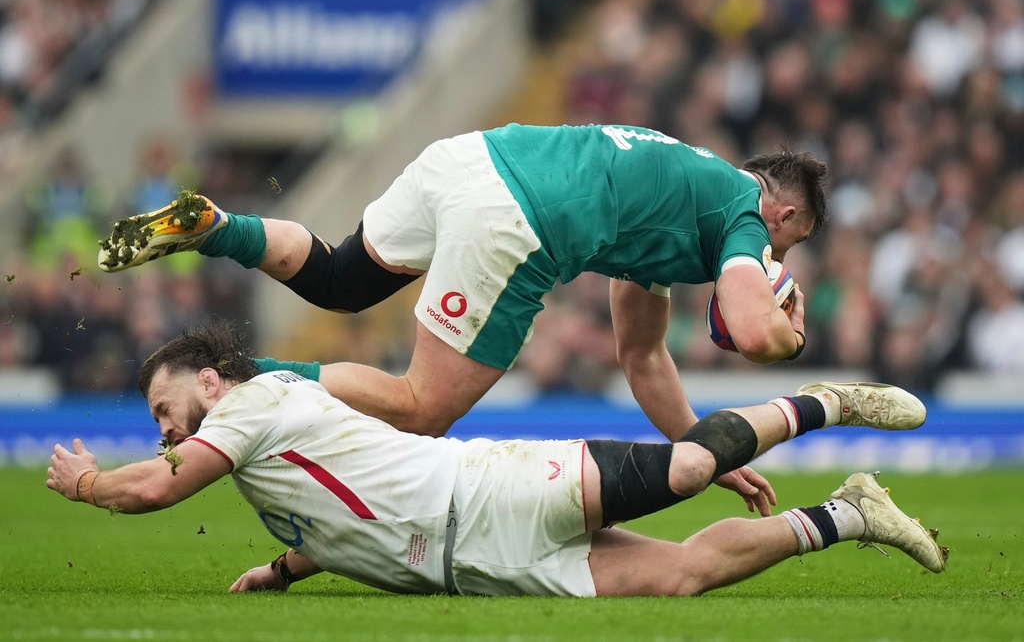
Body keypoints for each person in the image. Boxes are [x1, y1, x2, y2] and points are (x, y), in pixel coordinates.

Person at [46, 321, 946, 598]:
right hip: (479, 562)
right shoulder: (256, 448)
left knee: (680, 470)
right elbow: (351, 517)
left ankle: (828, 401)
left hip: (488, 494)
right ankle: (851, 512)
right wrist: (285, 569)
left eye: (167, 409)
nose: (167, 431)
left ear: (209, 382)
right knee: (679, 579)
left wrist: (86, 483)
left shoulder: (250, 403)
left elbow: (160, 487)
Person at [96, 124, 827, 449]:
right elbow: (757, 331)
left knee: (338, 279)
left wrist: (704, 448)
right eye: (789, 241)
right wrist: (789, 332)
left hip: (469, 157)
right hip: (516, 218)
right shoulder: (743, 212)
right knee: (420, 408)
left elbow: (642, 355)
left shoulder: (686, 195)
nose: (776, 252)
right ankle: (246, 378)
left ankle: (214, 224)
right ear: (784, 210)